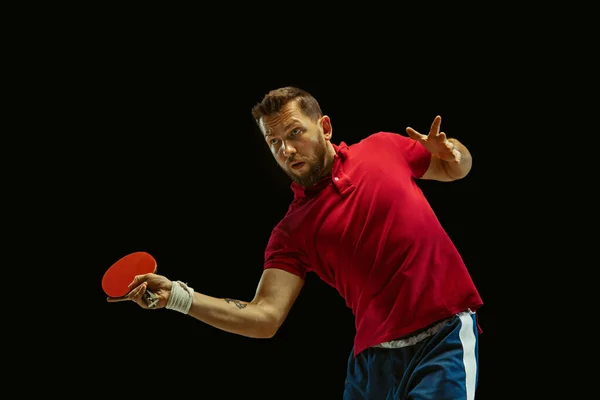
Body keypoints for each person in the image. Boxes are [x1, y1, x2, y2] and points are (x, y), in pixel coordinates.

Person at [109, 86, 483, 399]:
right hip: (373, 365)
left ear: (324, 126)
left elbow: (455, 168)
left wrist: (454, 149)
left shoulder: (383, 148)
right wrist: (177, 296)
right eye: (274, 142)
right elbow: (265, 317)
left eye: (294, 133)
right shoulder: (292, 232)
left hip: (441, 338)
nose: (286, 150)